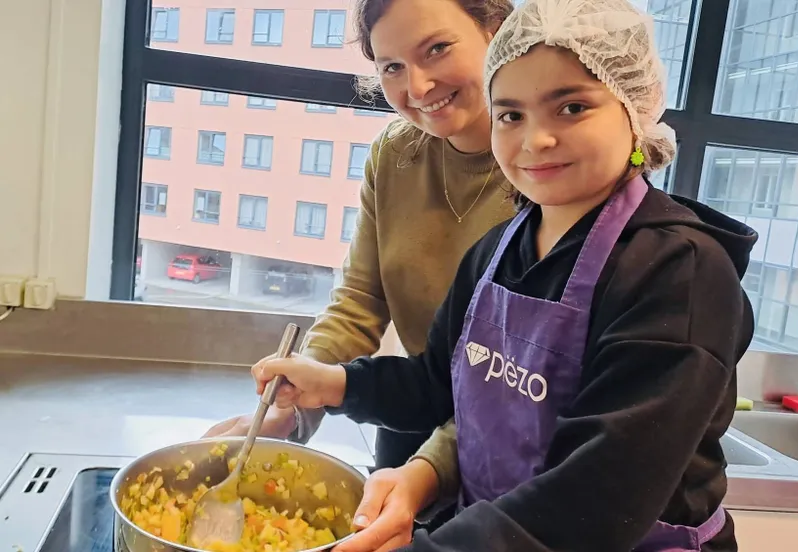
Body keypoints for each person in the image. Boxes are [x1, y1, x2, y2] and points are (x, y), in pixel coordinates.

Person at [250, 0, 759, 551]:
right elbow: (435, 387)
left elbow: (597, 498)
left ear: (633, 109)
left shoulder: (677, 272)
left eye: (571, 108)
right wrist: (335, 384)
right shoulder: (501, 248)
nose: (535, 140)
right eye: (511, 114)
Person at [205, 0, 515, 530]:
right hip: (415, 407)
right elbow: (359, 301)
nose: (417, 87)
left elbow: (524, 378)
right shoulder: (396, 156)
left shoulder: (546, 167)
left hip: (514, 438)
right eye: (392, 66)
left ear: (497, 31)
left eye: (437, 49)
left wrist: (428, 467)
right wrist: (293, 406)